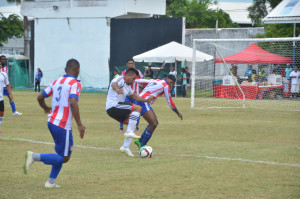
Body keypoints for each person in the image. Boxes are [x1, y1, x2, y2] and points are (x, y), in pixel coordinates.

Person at [23, 59, 86, 188]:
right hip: (63, 125)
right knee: (65, 158)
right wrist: (79, 124)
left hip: (51, 122)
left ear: (65, 70)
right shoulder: (75, 83)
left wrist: (46, 108)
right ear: (77, 70)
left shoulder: (56, 82)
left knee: (60, 155)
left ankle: (50, 182)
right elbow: (73, 102)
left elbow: (40, 97)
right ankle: (34, 156)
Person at [106, 68, 154, 157]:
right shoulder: (120, 79)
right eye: (133, 78)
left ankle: (125, 147)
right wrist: (117, 89)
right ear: (127, 75)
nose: (134, 81)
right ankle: (128, 133)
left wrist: (146, 100)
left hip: (115, 109)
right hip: (113, 106)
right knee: (138, 108)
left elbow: (134, 96)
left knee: (131, 124)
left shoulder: (128, 87)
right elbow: (114, 84)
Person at [133, 74, 183, 150]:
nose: (171, 84)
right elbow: (170, 102)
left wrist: (130, 80)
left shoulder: (155, 80)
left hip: (140, 100)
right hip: (143, 102)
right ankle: (142, 146)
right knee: (154, 124)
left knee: (153, 123)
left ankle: (140, 141)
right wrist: (178, 113)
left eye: (172, 83)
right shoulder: (165, 85)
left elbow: (141, 81)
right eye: (171, 82)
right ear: (166, 78)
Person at [119, 59, 144, 133]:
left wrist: (142, 87)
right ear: (127, 64)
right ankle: (121, 127)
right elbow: (119, 80)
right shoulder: (124, 72)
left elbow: (142, 80)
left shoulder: (138, 72)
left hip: (135, 94)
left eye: (132, 63)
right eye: (129, 63)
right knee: (124, 110)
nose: (130, 65)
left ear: (134, 64)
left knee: (137, 110)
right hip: (126, 94)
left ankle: (136, 127)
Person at [0, 62, 14, 133]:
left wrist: (10, 95)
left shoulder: (4, 74)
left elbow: (7, 85)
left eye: (0, 64)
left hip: (0, 98)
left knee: (2, 113)